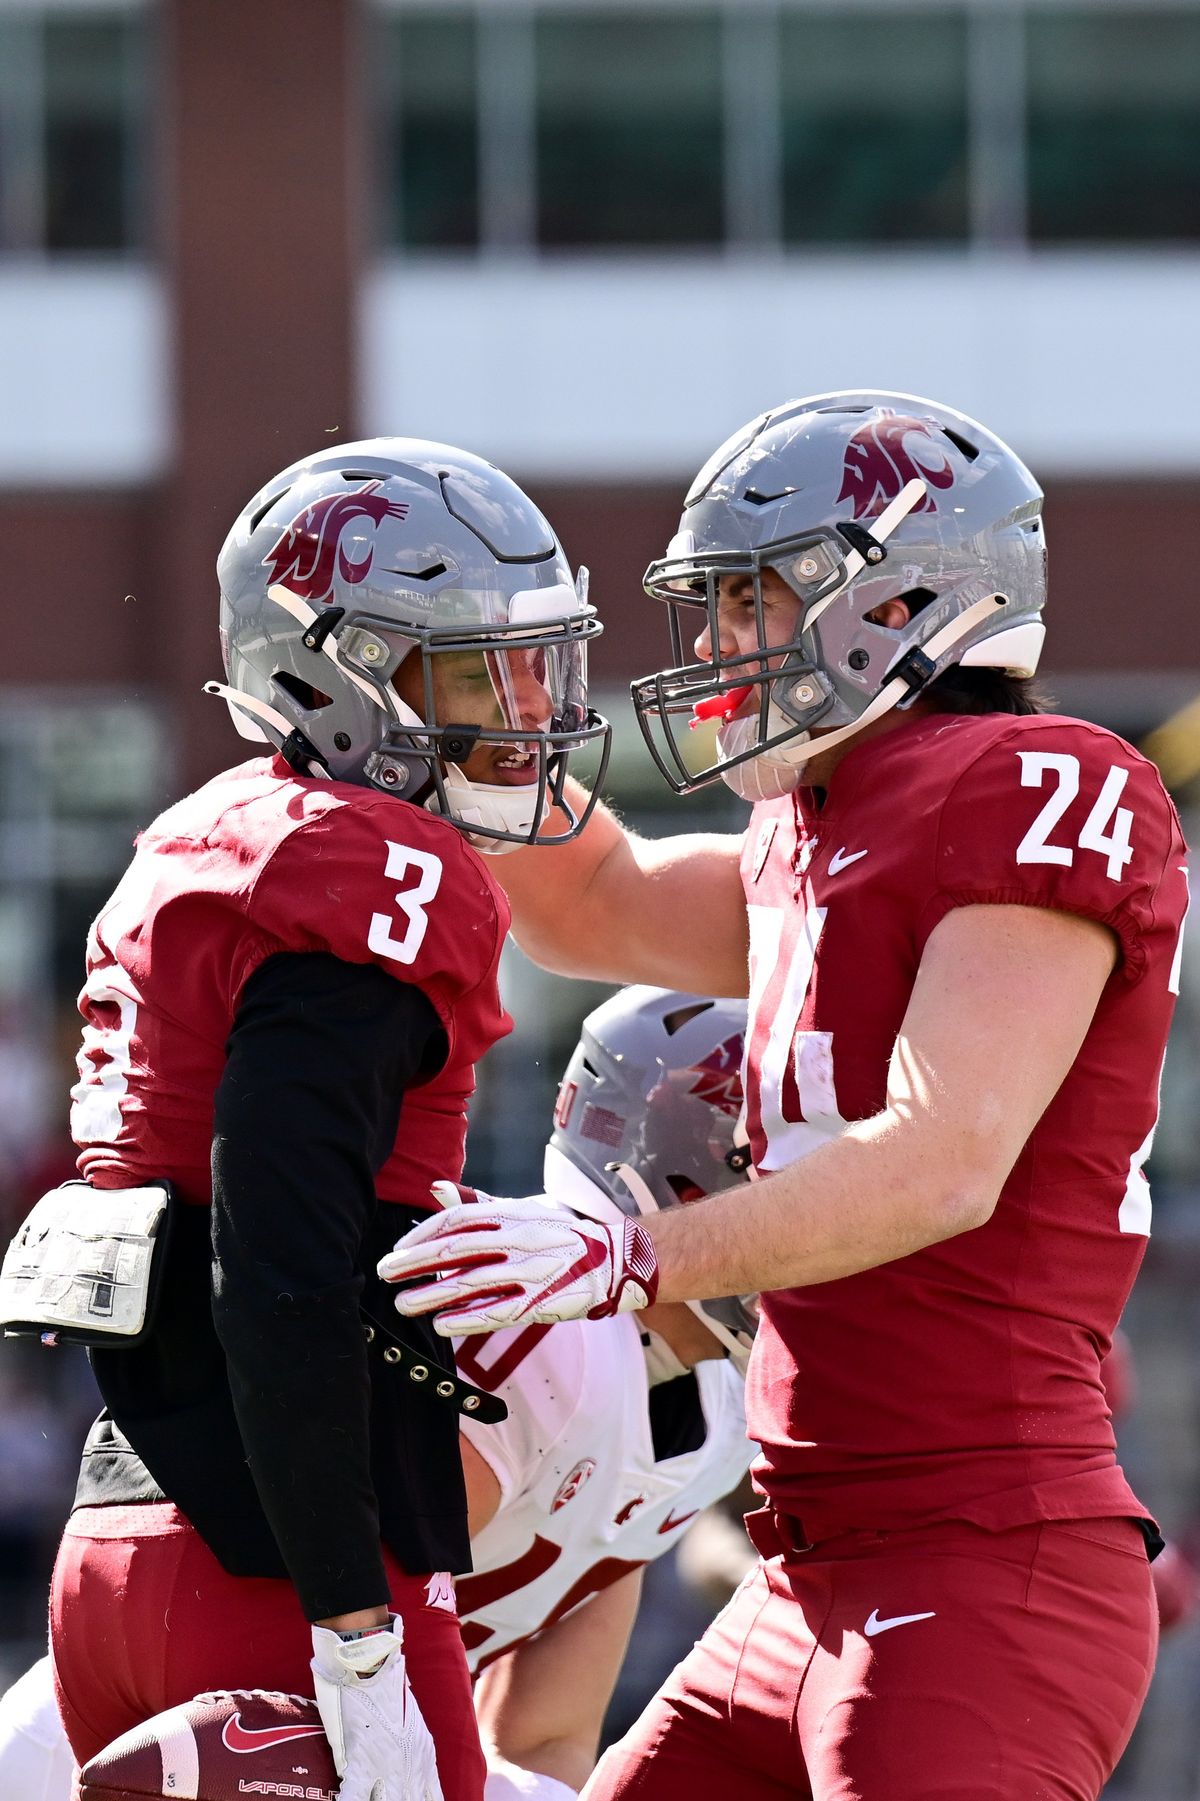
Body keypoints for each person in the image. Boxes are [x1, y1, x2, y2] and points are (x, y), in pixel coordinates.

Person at [379, 393, 1190, 1800]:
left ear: (904, 594)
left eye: (752, 601)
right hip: (802, 1575)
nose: (713, 649)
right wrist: (457, 715)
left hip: (980, 1558)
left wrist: (623, 1254)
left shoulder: (1027, 781)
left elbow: (945, 1159)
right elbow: (598, 902)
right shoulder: (812, 828)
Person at [41, 437, 610, 1801]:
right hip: (273, 1568)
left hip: (123, 1541)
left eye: (532, 666)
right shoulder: (375, 867)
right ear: (328, 674)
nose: (522, 711)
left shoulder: (213, 833)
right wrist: (355, 1629)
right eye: (476, 672)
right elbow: (279, 1259)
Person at [2, 987, 753, 1801]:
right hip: (231, 1688)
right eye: (779, 1168)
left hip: (281, 1686)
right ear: (683, 1174)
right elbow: (328, 1578)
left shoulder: (715, 1408)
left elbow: (545, 1734)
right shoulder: (556, 1331)